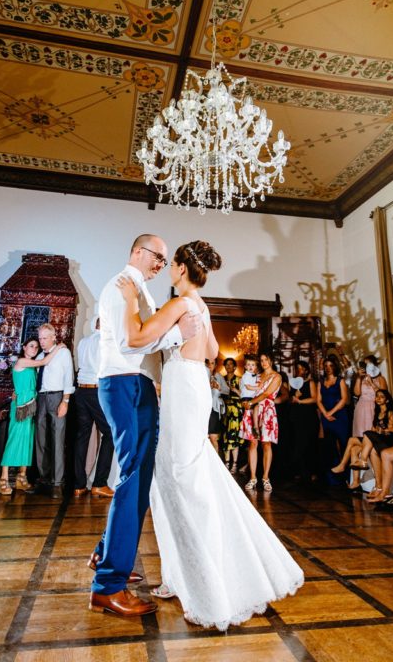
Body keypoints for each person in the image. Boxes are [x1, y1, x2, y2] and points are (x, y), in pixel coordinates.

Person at [115, 239, 303, 629]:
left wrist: (132, 299)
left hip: (183, 388)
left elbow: (135, 338)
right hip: (196, 385)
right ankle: (176, 575)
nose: (168, 269)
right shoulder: (201, 305)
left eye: (172, 264)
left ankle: (204, 585)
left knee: (180, 481)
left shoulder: (180, 303)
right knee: (181, 476)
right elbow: (215, 350)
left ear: (182, 268)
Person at [89, 234, 201, 618]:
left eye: (164, 259)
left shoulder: (136, 288)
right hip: (125, 383)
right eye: (157, 257)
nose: (160, 264)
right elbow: (129, 344)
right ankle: (108, 585)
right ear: (138, 252)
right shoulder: (123, 287)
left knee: (137, 474)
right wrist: (177, 335)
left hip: (134, 384)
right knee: (134, 478)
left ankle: (107, 553)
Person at [0, 338, 64, 495]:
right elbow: (45, 361)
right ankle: (4, 479)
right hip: (21, 405)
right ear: (24, 347)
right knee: (14, 440)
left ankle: (22, 477)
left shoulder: (31, 365)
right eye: (31, 346)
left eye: (36, 346)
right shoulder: (22, 362)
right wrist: (58, 347)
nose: (34, 348)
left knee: (27, 441)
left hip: (32, 404)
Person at [72, 319, 114, 498]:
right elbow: (106, 369)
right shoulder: (106, 342)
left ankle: (78, 485)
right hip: (96, 390)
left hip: (80, 389)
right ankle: (99, 483)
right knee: (111, 433)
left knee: (82, 435)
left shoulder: (83, 341)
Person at [35, 323, 74, 497]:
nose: (42, 341)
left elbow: (69, 377)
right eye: (40, 338)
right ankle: (44, 478)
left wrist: (65, 401)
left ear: (53, 337)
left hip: (57, 397)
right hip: (41, 397)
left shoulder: (63, 353)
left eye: (45, 338)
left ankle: (57, 482)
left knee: (57, 439)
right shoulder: (39, 355)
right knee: (41, 439)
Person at [332, 388, 393, 489]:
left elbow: (390, 430)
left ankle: (343, 465)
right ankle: (356, 481)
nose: (378, 399)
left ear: (387, 400)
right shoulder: (377, 412)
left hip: (384, 440)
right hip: (374, 439)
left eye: (382, 397)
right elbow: (373, 429)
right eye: (377, 396)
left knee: (353, 439)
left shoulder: (389, 412)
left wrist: (381, 430)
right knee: (354, 449)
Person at [242, 353, 281, 492]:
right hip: (253, 410)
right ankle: (252, 477)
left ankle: (265, 477)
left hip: (267, 410)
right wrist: (246, 403)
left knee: (266, 443)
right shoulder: (257, 376)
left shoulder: (276, 376)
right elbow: (247, 389)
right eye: (262, 360)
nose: (264, 362)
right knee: (252, 442)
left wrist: (251, 402)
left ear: (271, 360)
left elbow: (265, 394)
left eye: (266, 359)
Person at [318, 357, 350, 484]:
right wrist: (325, 414)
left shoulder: (340, 381)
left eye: (331, 365)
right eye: (326, 365)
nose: (328, 367)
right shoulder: (321, 381)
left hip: (339, 415)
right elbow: (318, 400)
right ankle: (333, 478)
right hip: (326, 416)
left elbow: (344, 399)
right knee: (330, 445)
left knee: (343, 444)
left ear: (335, 366)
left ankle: (347, 476)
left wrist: (331, 412)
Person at [287, 361, 319, 482]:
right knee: (298, 443)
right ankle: (300, 471)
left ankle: (312, 472)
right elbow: (290, 400)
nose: (298, 371)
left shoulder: (310, 382)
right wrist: (295, 397)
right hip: (296, 417)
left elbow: (315, 399)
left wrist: (300, 400)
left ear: (306, 370)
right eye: (297, 369)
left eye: (301, 369)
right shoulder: (292, 384)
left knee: (310, 443)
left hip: (309, 416)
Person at [351, 355, 387, 437]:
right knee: (360, 433)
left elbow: (383, 394)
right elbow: (357, 393)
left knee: (372, 434)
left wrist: (371, 383)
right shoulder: (361, 378)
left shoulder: (381, 378)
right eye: (365, 364)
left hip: (375, 407)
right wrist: (359, 378)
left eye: (369, 364)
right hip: (361, 407)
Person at [220, 358, 243, 472]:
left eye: (231, 364)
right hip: (224, 412)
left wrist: (234, 389)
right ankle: (226, 462)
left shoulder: (239, 380)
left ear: (235, 367)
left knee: (234, 438)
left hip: (235, 412)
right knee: (225, 437)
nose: (228, 366)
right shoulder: (221, 379)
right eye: (226, 364)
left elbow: (244, 395)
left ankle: (234, 464)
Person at [208, 359, 229, 453]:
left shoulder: (218, 376)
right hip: (202, 408)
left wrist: (219, 388)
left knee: (213, 437)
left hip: (215, 408)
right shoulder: (200, 375)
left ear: (216, 364)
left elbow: (227, 390)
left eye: (212, 363)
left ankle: (215, 464)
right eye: (207, 362)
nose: (209, 365)